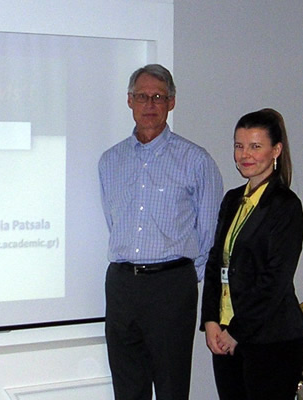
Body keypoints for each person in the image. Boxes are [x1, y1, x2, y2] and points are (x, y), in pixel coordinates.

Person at [99, 64, 223, 400]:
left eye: (158, 97)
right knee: (127, 389)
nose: (149, 104)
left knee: (171, 388)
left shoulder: (196, 160)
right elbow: (114, 223)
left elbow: (211, 235)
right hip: (122, 284)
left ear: (171, 103)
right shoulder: (109, 161)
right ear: (129, 101)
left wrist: (181, 278)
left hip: (171, 287)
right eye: (142, 96)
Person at [200, 108, 303, 400]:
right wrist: (210, 321)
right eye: (239, 145)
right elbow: (215, 262)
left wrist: (236, 331)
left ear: (276, 150)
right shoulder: (233, 199)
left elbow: (275, 281)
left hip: (271, 340)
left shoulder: (285, 205)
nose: (244, 154)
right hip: (225, 336)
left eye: (255, 146)